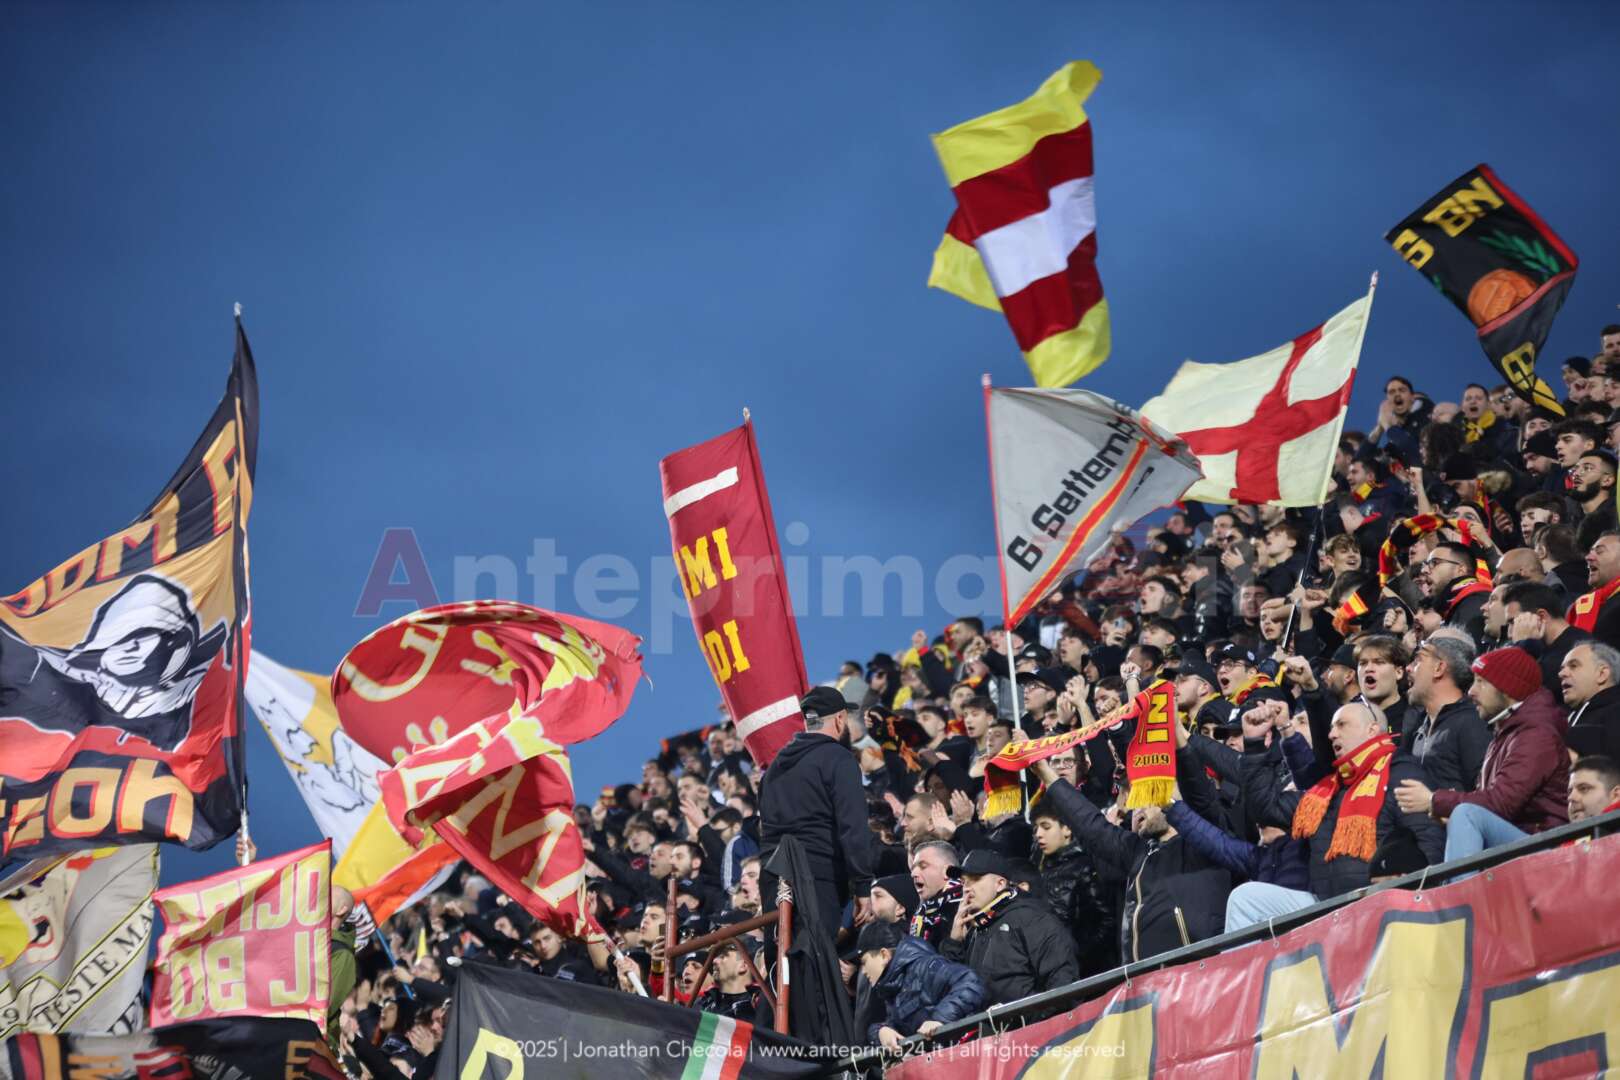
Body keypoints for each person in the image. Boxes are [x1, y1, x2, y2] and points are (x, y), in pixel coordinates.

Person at [1228, 700, 1444, 929]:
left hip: (1378, 903)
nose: (1331, 734)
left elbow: (1428, 838)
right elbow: (1266, 808)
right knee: (1245, 900)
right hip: (1325, 906)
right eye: (1332, 727)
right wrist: (1253, 744)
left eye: (1341, 725)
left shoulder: (1399, 773)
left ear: (1371, 729)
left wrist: (1415, 895)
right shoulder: (1326, 790)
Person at [1031, 758, 1231, 962]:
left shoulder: (1205, 843)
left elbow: (1199, 792)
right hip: (1146, 981)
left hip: (1202, 974)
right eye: (1135, 801)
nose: (1138, 807)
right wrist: (1045, 772)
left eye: (1147, 798)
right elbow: (1090, 825)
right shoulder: (1138, 852)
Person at [1396, 647, 1570, 863]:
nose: (1471, 692)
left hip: (1547, 847)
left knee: (1466, 814)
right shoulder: (1505, 732)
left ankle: (1460, 895)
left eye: (1481, 682)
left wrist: (1434, 800)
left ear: (1506, 688)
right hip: (1525, 840)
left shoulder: (1536, 734)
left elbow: (1501, 802)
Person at [757, 686, 876, 937]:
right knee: (813, 967)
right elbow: (852, 827)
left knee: (780, 966)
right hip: (817, 880)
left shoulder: (772, 769)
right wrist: (863, 887)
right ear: (840, 718)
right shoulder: (839, 759)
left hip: (773, 882)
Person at [939, 849, 1078, 1004]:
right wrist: (954, 943)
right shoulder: (972, 930)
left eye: (975, 879)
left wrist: (1033, 1025)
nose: (966, 888)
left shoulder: (1032, 918)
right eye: (964, 882)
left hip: (1030, 1026)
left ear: (1000, 884)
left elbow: (1062, 983)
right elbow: (951, 991)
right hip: (990, 1027)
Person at [859, 920, 985, 1051]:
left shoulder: (925, 967)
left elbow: (970, 982)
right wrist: (881, 1032)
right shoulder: (893, 987)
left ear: (884, 955)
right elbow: (894, 1024)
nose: (863, 971)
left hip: (966, 1052)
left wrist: (939, 1020)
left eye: (864, 962)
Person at [1029, 794, 1116, 976]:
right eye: (1036, 828)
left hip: (1087, 974)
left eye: (1046, 827)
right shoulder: (1038, 870)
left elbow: (1107, 922)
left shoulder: (1086, 866)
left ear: (1067, 828)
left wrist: (1077, 955)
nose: (1038, 834)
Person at [1402, 635, 1491, 793]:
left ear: (1439, 668)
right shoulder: (1419, 727)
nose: (1408, 668)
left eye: (1418, 660)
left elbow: (1484, 795)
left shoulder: (1472, 723)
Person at [1561, 642, 1620, 761]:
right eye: (1562, 668)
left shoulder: (1616, 714)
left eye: (1573, 666)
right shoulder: (1570, 715)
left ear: (1601, 674)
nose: (1561, 674)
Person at [907, 840, 962, 950]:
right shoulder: (924, 910)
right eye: (913, 868)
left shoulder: (963, 908)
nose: (913, 874)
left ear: (948, 871)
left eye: (923, 866)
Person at [694, 941, 764, 1021]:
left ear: (743, 966)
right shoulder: (702, 1003)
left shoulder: (761, 1001)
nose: (714, 961)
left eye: (723, 956)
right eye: (714, 957)